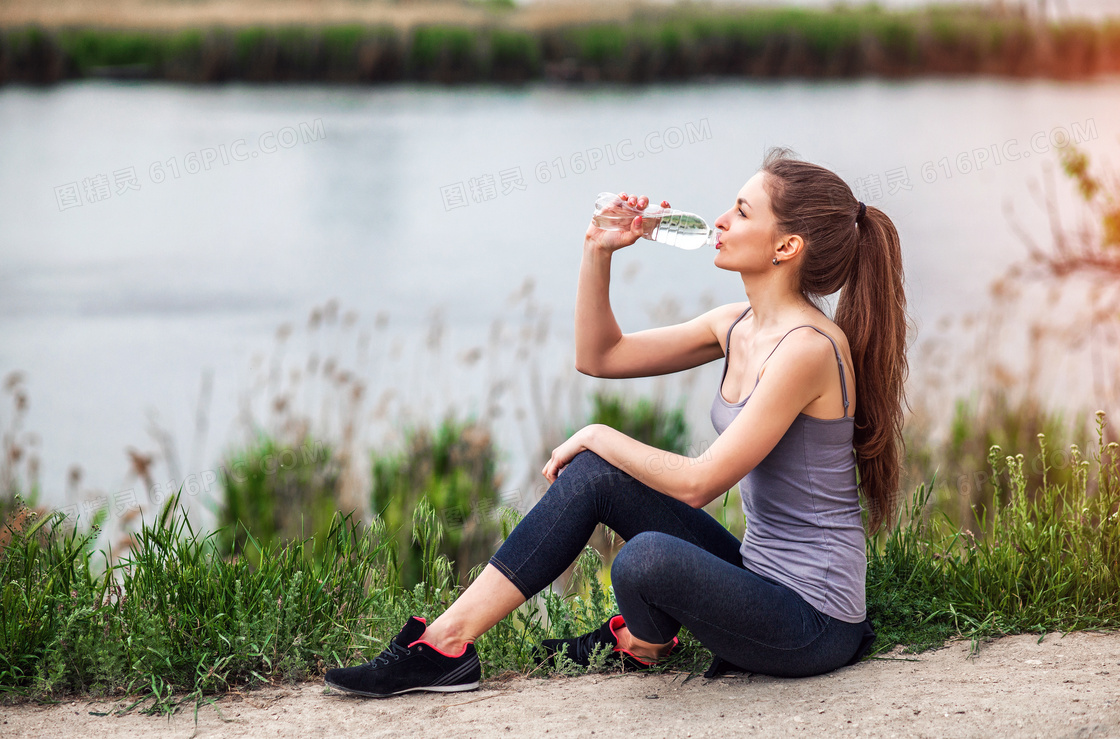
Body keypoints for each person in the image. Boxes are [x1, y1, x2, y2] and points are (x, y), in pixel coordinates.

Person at [324, 146, 912, 698]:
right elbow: (600, 356)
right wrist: (598, 251)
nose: (721, 220)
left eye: (741, 210)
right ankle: (446, 646)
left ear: (786, 247)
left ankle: (642, 640)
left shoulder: (808, 348)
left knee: (644, 558)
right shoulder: (736, 325)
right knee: (594, 476)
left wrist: (599, 434)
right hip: (757, 576)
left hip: (813, 621)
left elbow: (699, 483)